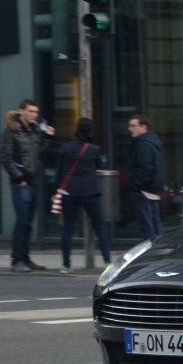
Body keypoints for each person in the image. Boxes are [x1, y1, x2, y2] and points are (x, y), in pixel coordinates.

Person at [0, 99, 55, 273]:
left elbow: (39, 154)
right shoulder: (11, 131)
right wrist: (19, 178)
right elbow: (5, 158)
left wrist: (49, 138)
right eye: (31, 111)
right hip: (21, 183)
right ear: (21, 112)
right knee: (22, 221)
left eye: (36, 112)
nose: (34, 115)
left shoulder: (35, 130)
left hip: (34, 181)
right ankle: (17, 260)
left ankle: (26, 258)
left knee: (29, 222)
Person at [56, 117, 111, 273]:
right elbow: (100, 166)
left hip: (70, 192)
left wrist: (56, 191)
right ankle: (107, 261)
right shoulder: (93, 149)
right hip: (90, 192)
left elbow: (60, 173)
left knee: (68, 228)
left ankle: (66, 264)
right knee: (99, 226)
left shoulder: (66, 148)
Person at [128, 114, 165, 240]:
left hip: (144, 191)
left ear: (144, 127)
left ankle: (152, 255)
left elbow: (145, 168)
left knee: (147, 228)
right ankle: (159, 253)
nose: (130, 128)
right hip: (153, 190)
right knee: (155, 226)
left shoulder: (143, 144)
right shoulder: (152, 142)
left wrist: (136, 185)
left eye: (133, 126)